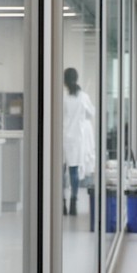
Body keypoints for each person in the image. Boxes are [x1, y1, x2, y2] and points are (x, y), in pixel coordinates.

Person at [62, 67, 95, 217]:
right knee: (73, 171)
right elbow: (91, 114)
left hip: (63, 137)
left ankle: (62, 202)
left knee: (62, 171)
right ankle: (73, 202)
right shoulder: (83, 96)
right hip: (77, 138)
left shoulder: (63, 96)